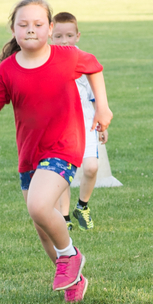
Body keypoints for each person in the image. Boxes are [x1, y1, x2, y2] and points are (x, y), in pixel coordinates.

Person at [0, 0, 112, 304]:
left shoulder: (67, 56)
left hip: (64, 147)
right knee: (42, 227)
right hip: (29, 155)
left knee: (39, 206)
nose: (31, 30)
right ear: (13, 29)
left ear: (50, 29)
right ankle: (74, 279)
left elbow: (95, 68)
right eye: (23, 25)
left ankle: (70, 255)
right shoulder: (7, 69)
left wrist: (103, 107)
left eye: (38, 24)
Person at [51, 12, 107, 231]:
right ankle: (64, 218)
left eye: (69, 35)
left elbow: (95, 97)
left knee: (91, 167)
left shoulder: (84, 62)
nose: (64, 41)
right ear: (50, 35)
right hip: (60, 128)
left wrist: (102, 123)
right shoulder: (48, 62)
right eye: (58, 36)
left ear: (78, 36)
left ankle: (82, 206)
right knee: (63, 173)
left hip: (86, 124)